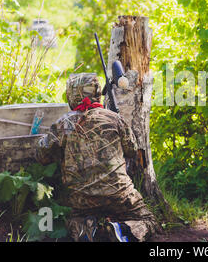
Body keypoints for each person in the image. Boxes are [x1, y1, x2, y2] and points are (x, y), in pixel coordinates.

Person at [35, 73, 158, 242]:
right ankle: (122, 230)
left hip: (81, 199)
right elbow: (132, 150)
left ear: (72, 95)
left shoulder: (64, 123)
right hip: (119, 195)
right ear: (97, 93)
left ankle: (84, 228)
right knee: (148, 220)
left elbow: (42, 156)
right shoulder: (115, 119)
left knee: (74, 217)